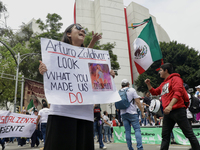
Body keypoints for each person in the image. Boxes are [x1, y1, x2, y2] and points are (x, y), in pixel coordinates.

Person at [39, 23, 115, 150]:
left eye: (83, 29)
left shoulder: (91, 60)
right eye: (78, 28)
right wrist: (43, 70)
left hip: (84, 115)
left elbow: (98, 80)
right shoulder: (55, 54)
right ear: (68, 34)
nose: (83, 30)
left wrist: (108, 75)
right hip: (61, 112)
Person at [145, 63, 200, 150]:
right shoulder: (163, 84)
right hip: (168, 112)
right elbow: (155, 92)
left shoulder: (176, 79)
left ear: (166, 71)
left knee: (188, 133)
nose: (159, 72)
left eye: (161, 70)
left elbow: (178, 93)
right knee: (165, 136)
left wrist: (170, 106)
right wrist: (148, 84)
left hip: (178, 110)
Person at [120, 79, 144, 150]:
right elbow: (137, 101)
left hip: (123, 113)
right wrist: (142, 111)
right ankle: (139, 148)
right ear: (128, 84)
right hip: (132, 113)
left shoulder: (119, 92)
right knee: (137, 130)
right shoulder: (132, 90)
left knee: (127, 131)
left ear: (122, 85)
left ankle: (130, 148)